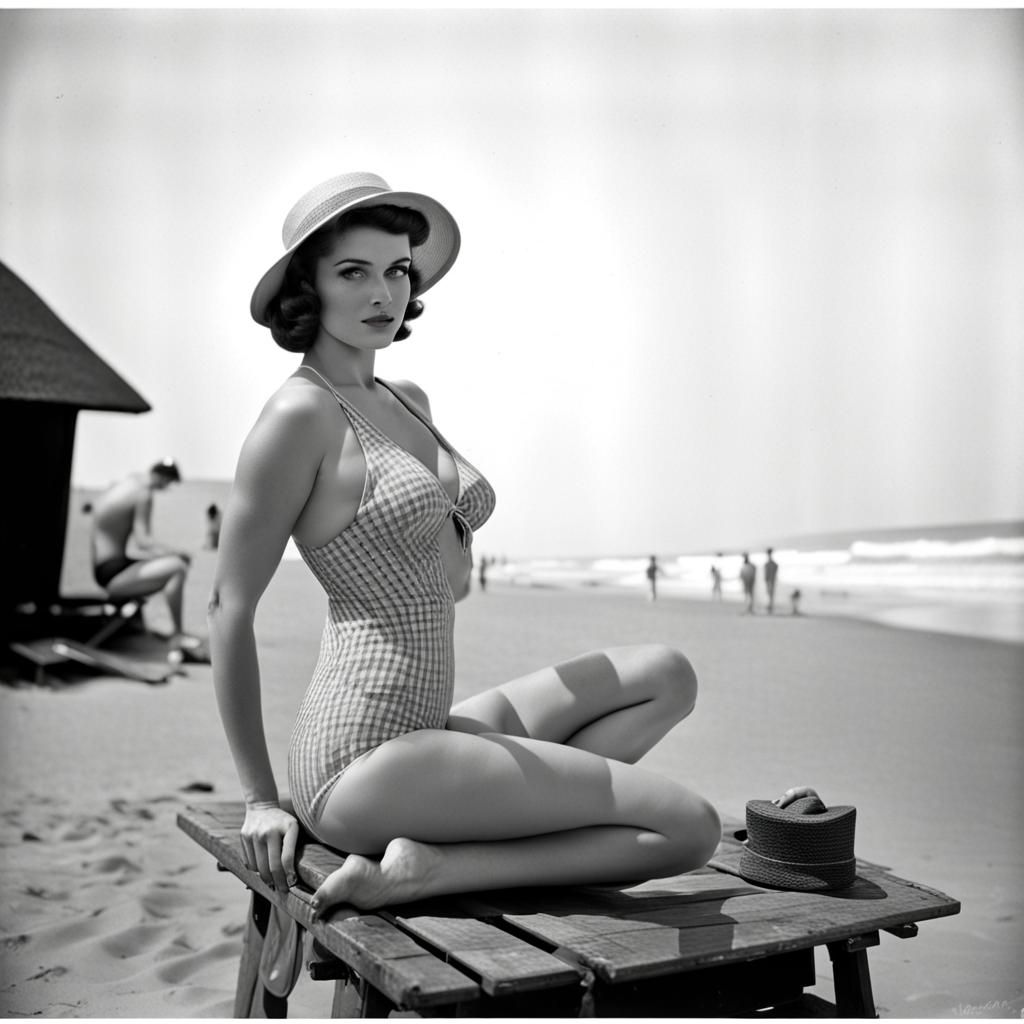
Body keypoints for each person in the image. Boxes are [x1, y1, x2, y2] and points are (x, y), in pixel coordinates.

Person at [209, 172, 721, 915]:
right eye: (353, 271)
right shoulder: (300, 414)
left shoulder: (404, 399)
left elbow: (438, 570)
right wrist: (259, 798)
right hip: (361, 760)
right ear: (307, 287)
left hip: (431, 729)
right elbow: (228, 605)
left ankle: (504, 821)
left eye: (397, 269)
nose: (382, 292)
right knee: (688, 829)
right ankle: (431, 870)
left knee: (667, 676)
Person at [90, 459, 204, 652]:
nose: (166, 488)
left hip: (102, 566)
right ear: (162, 477)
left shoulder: (126, 483)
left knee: (158, 564)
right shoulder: (144, 493)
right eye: (168, 483)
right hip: (113, 574)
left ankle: (138, 625)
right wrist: (177, 553)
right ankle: (177, 634)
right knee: (177, 567)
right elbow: (143, 541)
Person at [763, 547, 779, 614]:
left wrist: (767, 578)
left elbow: (771, 572)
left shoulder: (769, 564)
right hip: (770, 579)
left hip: (770, 579)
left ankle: (770, 606)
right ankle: (770, 606)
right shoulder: (770, 564)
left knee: (770, 593)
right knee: (770, 593)